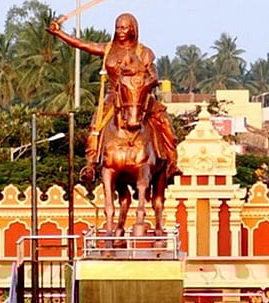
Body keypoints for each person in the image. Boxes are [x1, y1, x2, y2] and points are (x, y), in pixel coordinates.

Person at [47, 13, 180, 183]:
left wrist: (142, 84)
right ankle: (90, 164)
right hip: (113, 96)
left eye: (124, 27)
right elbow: (83, 44)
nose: (120, 31)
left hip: (139, 97)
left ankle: (171, 161)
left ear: (132, 29)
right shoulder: (109, 48)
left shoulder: (144, 52)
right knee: (96, 124)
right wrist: (59, 33)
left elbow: (154, 76)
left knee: (164, 121)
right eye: (118, 27)